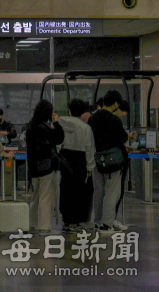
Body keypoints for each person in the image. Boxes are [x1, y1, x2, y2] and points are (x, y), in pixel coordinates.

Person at [89, 91, 135, 233]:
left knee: (99, 192)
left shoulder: (93, 117)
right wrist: (127, 136)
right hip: (113, 162)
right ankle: (107, 223)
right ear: (115, 104)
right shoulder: (114, 120)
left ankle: (97, 221)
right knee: (112, 192)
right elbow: (122, 138)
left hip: (97, 159)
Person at [26, 99, 64, 235]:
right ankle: (44, 226)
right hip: (47, 166)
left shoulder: (31, 126)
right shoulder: (45, 128)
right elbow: (60, 138)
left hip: (34, 167)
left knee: (35, 197)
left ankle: (32, 224)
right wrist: (56, 122)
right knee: (46, 197)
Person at [58, 99, 95, 233]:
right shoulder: (86, 128)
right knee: (79, 191)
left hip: (64, 159)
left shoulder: (60, 124)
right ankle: (75, 221)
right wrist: (90, 167)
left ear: (69, 111)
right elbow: (89, 148)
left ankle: (66, 220)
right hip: (80, 161)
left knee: (65, 189)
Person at [112, 99, 131, 231]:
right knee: (116, 191)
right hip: (117, 160)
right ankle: (111, 219)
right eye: (122, 110)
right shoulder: (115, 122)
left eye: (125, 112)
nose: (123, 113)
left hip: (112, 159)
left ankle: (109, 219)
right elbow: (123, 138)